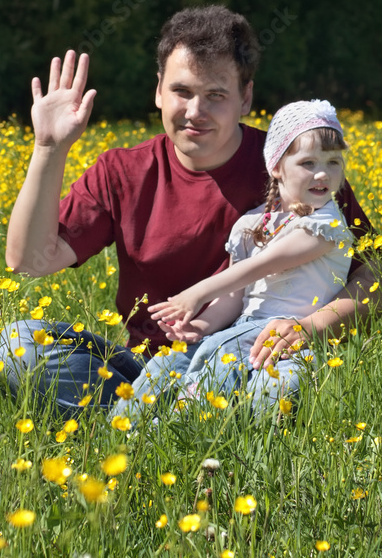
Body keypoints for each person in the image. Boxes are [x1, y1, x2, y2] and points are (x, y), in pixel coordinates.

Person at [0, 5, 382, 418]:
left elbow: (374, 277)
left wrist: (308, 330)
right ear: (159, 90)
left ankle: (146, 426)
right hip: (150, 365)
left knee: (277, 391)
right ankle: (161, 420)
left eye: (215, 95)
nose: (195, 112)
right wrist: (49, 149)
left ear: (245, 97)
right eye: (182, 91)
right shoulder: (122, 171)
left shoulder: (297, 166)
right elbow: (28, 262)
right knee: (17, 347)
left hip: (254, 360)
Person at [111, 100, 355, 418]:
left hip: (289, 335)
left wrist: (197, 293)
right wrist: (198, 325)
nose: (323, 173)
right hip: (240, 328)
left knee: (219, 355)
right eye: (308, 163)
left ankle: (183, 428)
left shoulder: (327, 223)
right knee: (168, 361)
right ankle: (119, 430)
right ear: (277, 166)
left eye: (333, 162)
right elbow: (234, 297)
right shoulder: (252, 224)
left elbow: (266, 264)